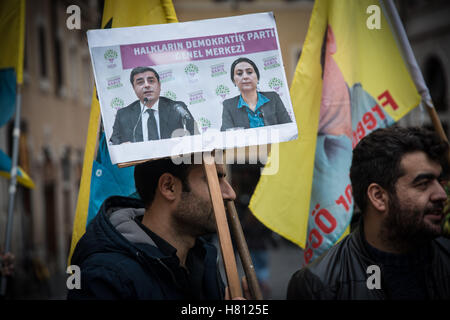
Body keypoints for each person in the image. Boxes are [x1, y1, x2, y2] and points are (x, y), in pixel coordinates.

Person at [287, 126, 450, 300]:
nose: (441, 194)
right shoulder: (319, 284)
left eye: (440, 182)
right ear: (378, 196)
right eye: (423, 183)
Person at [67, 157, 242, 300]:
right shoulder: (102, 277)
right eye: (214, 178)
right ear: (169, 187)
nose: (230, 193)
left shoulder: (203, 260)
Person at [110, 67, 198, 144]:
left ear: (159, 85)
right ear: (134, 88)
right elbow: (114, 142)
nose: (147, 85)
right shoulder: (123, 114)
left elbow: (195, 134)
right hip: (140, 162)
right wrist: (122, 146)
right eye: (140, 82)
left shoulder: (177, 108)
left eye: (151, 81)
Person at [220, 57, 292, 131]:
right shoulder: (228, 105)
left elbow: (287, 128)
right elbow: (226, 135)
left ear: (257, 78)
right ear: (234, 81)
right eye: (239, 73)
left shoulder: (273, 97)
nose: (245, 76)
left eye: (249, 72)